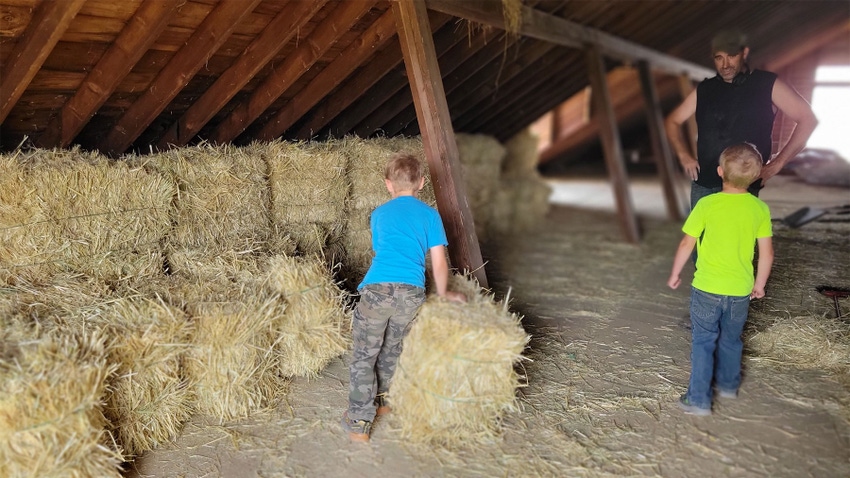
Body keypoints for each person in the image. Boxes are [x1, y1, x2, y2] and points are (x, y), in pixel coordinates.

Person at [341, 153, 467, 442]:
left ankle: (359, 423)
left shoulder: (379, 214)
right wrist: (445, 292)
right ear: (421, 183)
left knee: (364, 355)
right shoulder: (431, 215)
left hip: (378, 290)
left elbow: (381, 250)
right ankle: (384, 403)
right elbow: (438, 262)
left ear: (388, 185)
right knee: (393, 349)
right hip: (411, 292)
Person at [667, 143, 774, 416]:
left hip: (706, 288)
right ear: (756, 176)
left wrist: (676, 272)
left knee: (703, 341)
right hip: (740, 291)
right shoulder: (759, 209)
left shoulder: (707, 204)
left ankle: (699, 399)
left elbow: (686, 244)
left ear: (719, 172)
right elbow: (767, 253)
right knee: (731, 339)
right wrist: (759, 284)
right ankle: (728, 385)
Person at [665, 29, 818, 208]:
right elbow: (672, 121)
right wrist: (683, 156)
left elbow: (808, 120)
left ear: (744, 53)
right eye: (719, 58)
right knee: (703, 236)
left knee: (741, 235)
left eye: (731, 56)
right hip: (704, 184)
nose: (725, 64)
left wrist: (777, 165)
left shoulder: (767, 84)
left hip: (744, 185)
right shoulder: (705, 89)